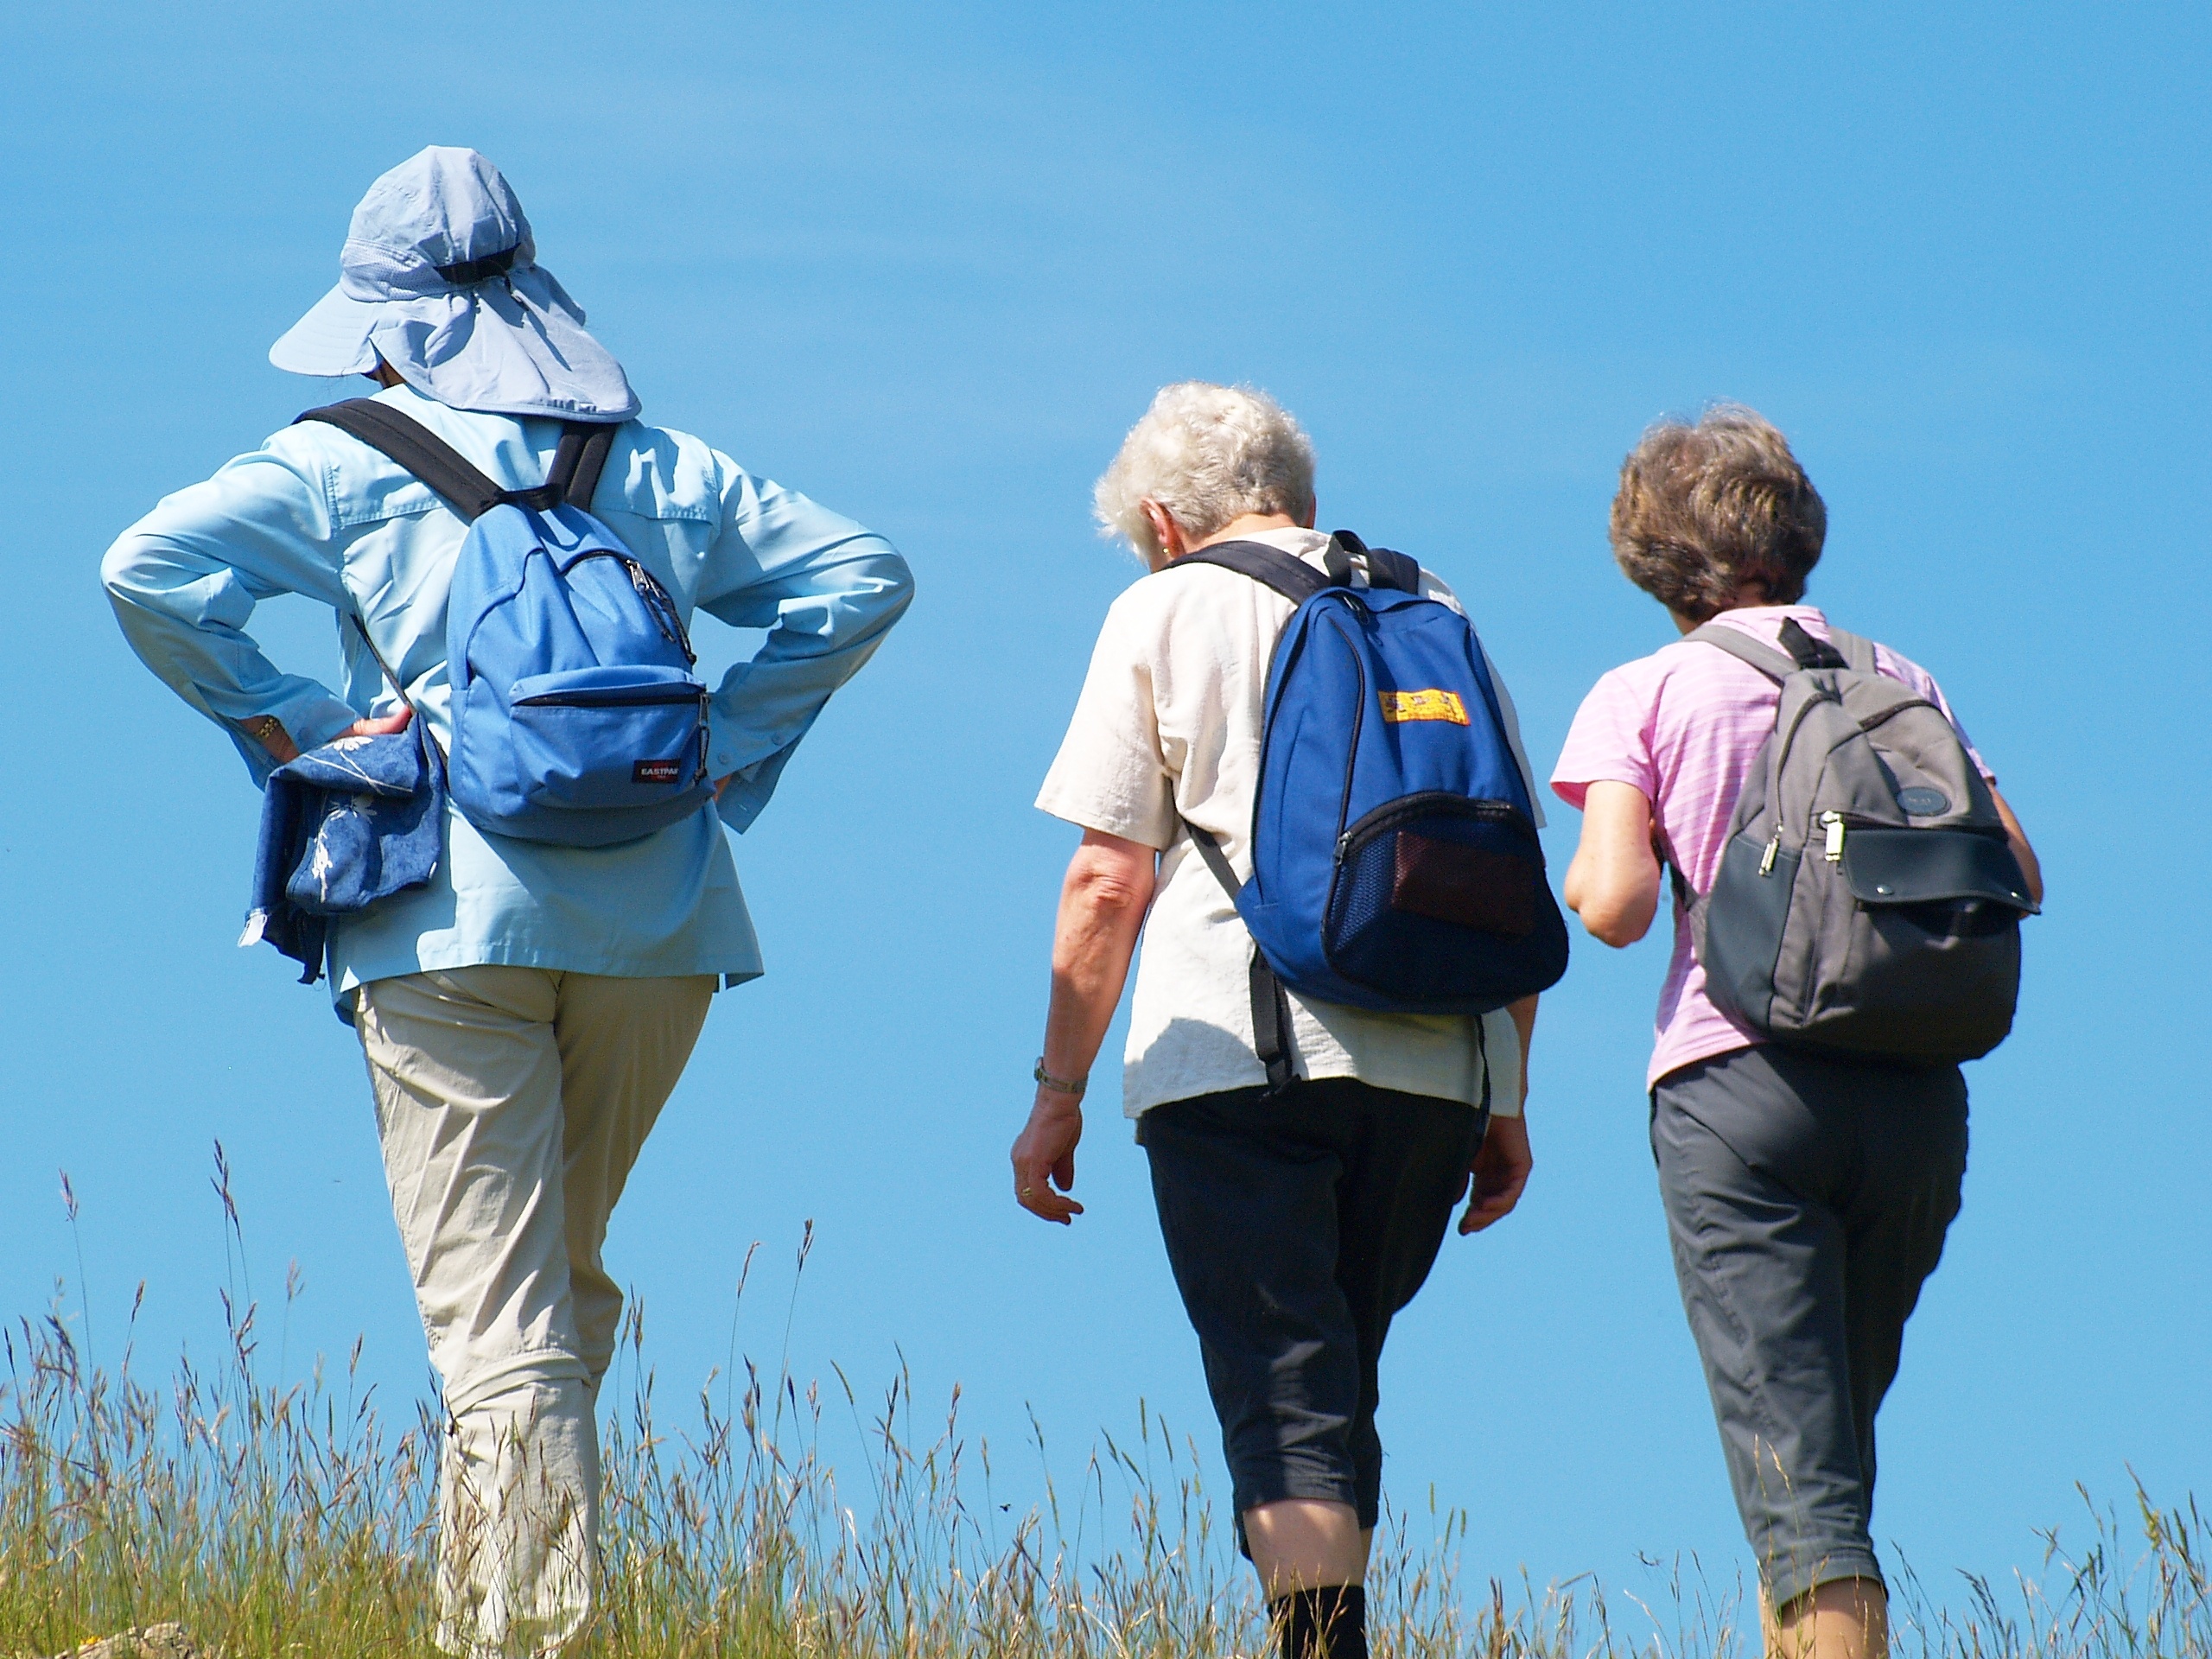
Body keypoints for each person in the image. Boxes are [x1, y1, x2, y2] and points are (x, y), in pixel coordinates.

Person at [101, 147, 913, 1656]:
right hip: (664, 928)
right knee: (555, 1291)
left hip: (441, 919)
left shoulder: (341, 458)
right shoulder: (661, 464)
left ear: (392, 325)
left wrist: (294, 725)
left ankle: (530, 1637)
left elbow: (144, 570)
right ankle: (493, 1613)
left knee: (498, 1315)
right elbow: (865, 575)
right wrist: (723, 744)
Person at [1010, 382, 1542, 1659]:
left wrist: (1056, 1090)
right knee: (1336, 1386)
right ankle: (1324, 1630)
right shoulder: (1434, 606)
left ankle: (1318, 1648)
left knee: (1282, 1387)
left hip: (1235, 1063)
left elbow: (1106, 879)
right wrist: (1508, 1098)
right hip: (1435, 1069)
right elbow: (1501, 856)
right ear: (1299, 497)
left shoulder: (1166, 605)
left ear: (1160, 518)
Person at [1551, 406, 2042, 1659]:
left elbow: (1609, 909)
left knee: (1805, 1493)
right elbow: (2020, 872)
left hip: (1739, 1093)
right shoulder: (1899, 678)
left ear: (1655, 558)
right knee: (1828, 1465)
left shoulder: (1644, 691)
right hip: (1919, 1099)